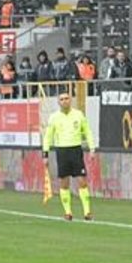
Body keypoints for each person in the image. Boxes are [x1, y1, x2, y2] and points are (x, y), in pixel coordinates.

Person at [42, 92, 95, 221]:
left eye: (66, 98)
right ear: (58, 102)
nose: (64, 101)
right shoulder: (54, 117)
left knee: (82, 181)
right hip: (62, 151)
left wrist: (92, 148)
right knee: (64, 183)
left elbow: (87, 131)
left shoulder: (78, 114)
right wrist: (45, 154)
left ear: (70, 100)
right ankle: (68, 212)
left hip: (76, 149)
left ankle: (87, 212)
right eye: (62, 99)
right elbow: (48, 136)